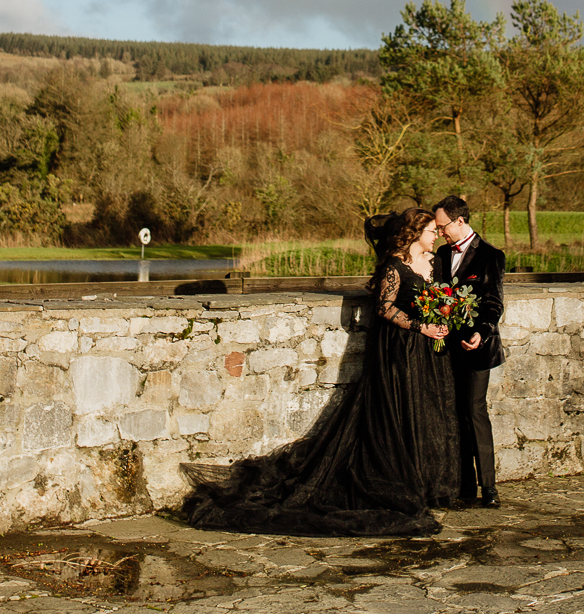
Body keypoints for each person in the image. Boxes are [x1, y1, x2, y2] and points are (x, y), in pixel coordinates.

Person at [181, 207, 460, 536]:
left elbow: (443, 297)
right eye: (430, 231)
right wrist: (419, 326)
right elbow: (384, 307)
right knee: (398, 412)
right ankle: (402, 483)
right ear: (413, 234)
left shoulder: (435, 263)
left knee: (427, 412)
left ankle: (428, 483)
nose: (435, 236)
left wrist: (445, 315)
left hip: (429, 353)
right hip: (400, 350)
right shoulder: (394, 266)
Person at [433, 194, 504, 507]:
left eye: (442, 226)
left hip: (478, 347)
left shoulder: (490, 255)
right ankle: (463, 488)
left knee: (475, 411)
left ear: (459, 221)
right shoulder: (441, 255)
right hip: (446, 347)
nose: (439, 233)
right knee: (454, 413)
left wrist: (480, 332)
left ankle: (488, 488)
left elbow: (493, 303)